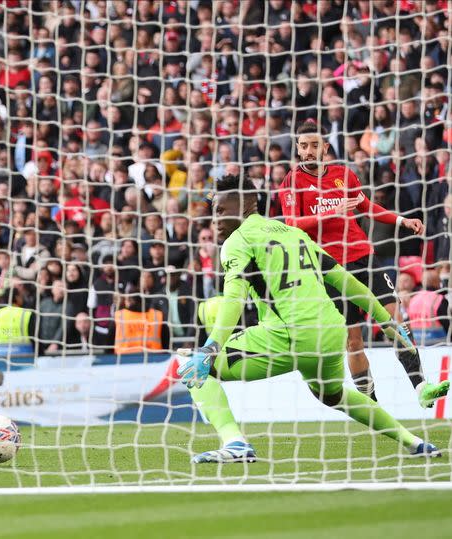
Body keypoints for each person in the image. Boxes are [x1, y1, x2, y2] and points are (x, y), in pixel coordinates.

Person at [177, 174, 441, 463]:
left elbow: (234, 300)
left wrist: (210, 347)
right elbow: (347, 282)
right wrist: (388, 325)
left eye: (220, 210)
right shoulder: (291, 232)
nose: (215, 219)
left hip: (289, 334)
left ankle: (235, 442)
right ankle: (413, 441)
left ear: (246, 203)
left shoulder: (238, 241)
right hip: (330, 335)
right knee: (333, 396)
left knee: (196, 368)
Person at [280, 121, 447, 408]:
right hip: (328, 269)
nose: (309, 151)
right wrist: (332, 211)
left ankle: (421, 386)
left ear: (325, 147)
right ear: (297, 148)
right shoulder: (291, 183)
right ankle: (371, 407)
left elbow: (366, 206)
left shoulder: (343, 174)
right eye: (304, 146)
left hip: (363, 257)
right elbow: (292, 223)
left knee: (396, 321)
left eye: (314, 145)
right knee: (353, 341)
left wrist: (401, 220)